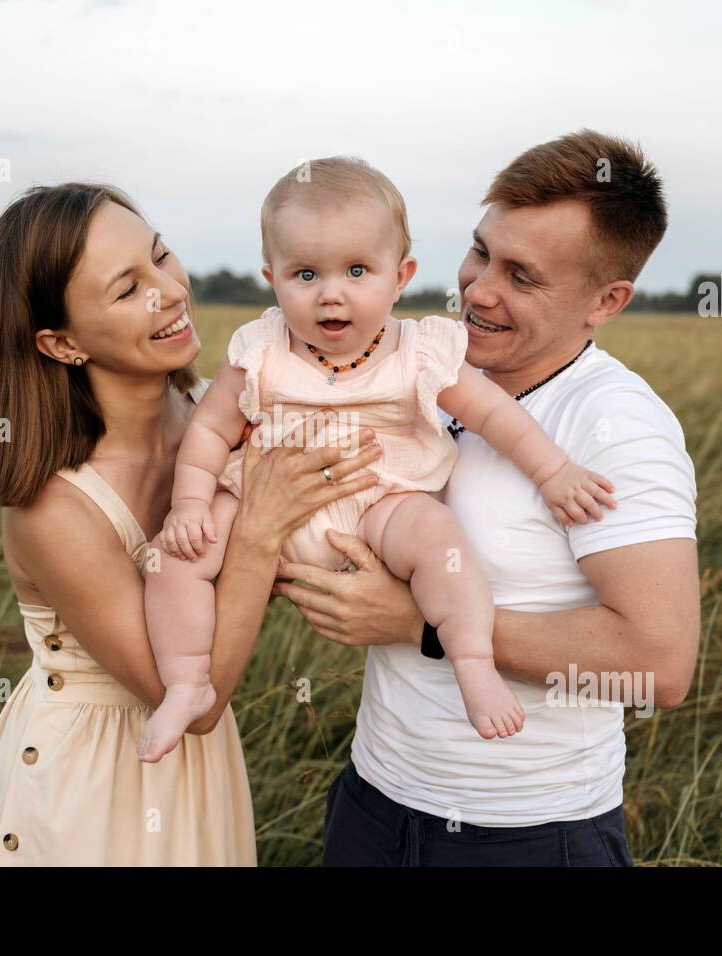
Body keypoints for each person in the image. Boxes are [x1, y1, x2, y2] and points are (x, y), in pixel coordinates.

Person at [273, 131, 702, 866]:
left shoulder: (616, 426)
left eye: (522, 277)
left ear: (607, 300)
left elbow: (658, 663)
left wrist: (423, 624)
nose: (477, 289)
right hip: (373, 800)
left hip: (526, 835)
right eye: (481, 252)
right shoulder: (419, 367)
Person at [0, 181, 384, 865]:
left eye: (161, 256)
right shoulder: (53, 507)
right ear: (61, 343)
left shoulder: (222, 420)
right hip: (89, 783)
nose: (171, 291)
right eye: (127, 290)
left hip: (199, 770)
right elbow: (195, 702)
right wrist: (260, 532)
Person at [138, 157, 616, 763]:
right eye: (305, 274)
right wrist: (190, 503)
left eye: (357, 271)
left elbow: (496, 415)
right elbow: (209, 429)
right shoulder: (259, 350)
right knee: (172, 558)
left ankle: (471, 659)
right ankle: (186, 683)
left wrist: (554, 471)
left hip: (380, 502)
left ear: (400, 276)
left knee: (438, 537)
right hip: (260, 501)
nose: (330, 293)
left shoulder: (420, 352)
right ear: (272, 279)